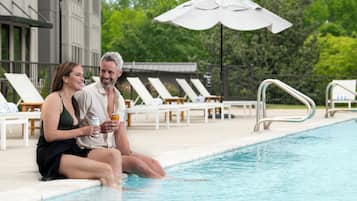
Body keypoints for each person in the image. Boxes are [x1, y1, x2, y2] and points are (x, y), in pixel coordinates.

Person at [75, 52, 166, 178]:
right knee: (137, 165)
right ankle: (162, 187)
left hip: (111, 150)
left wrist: (128, 153)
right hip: (89, 150)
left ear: (119, 73)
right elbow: (70, 126)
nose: (105, 76)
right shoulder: (86, 94)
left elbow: (120, 134)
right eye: (103, 71)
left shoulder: (119, 100)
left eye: (110, 72)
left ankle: (168, 184)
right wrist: (98, 129)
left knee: (153, 163)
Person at [36, 62, 122, 188]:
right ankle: (115, 191)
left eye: (83, 75)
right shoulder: (54, 99)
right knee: (105, 170)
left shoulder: (73, 101)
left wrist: (100, 129)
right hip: (53, 154)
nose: (82, 78)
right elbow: (50, 135)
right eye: (78, 75)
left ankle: (116, 188)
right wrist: (81, 131)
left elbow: (78, 129)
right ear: (65, 78)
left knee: (114, 154)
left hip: (72, 149)